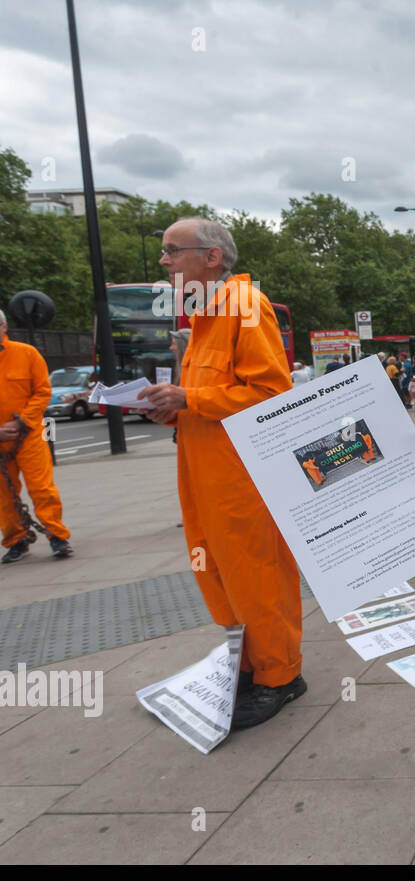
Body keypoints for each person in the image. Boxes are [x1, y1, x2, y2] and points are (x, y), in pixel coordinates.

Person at [139, 217, 307, 730]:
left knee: (255, 572)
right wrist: (174, 409)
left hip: (239, 476)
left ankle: (280, 676)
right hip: (204, 471)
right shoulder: (205, 317)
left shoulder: (243, 305)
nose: (164, 261)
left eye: (173, 250)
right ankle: (256, 666)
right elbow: (214, 398)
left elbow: (271, 394)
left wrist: (189, 397)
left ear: (211, 257)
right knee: (220, 571)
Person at [0, 308, 73, 562]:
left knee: (41, 487)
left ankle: (57, 535)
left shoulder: (27, 354)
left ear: (4, 328)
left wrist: (23, 421)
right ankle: (15, 539)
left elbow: (42, 391)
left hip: (29, 434)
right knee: (3, 496)